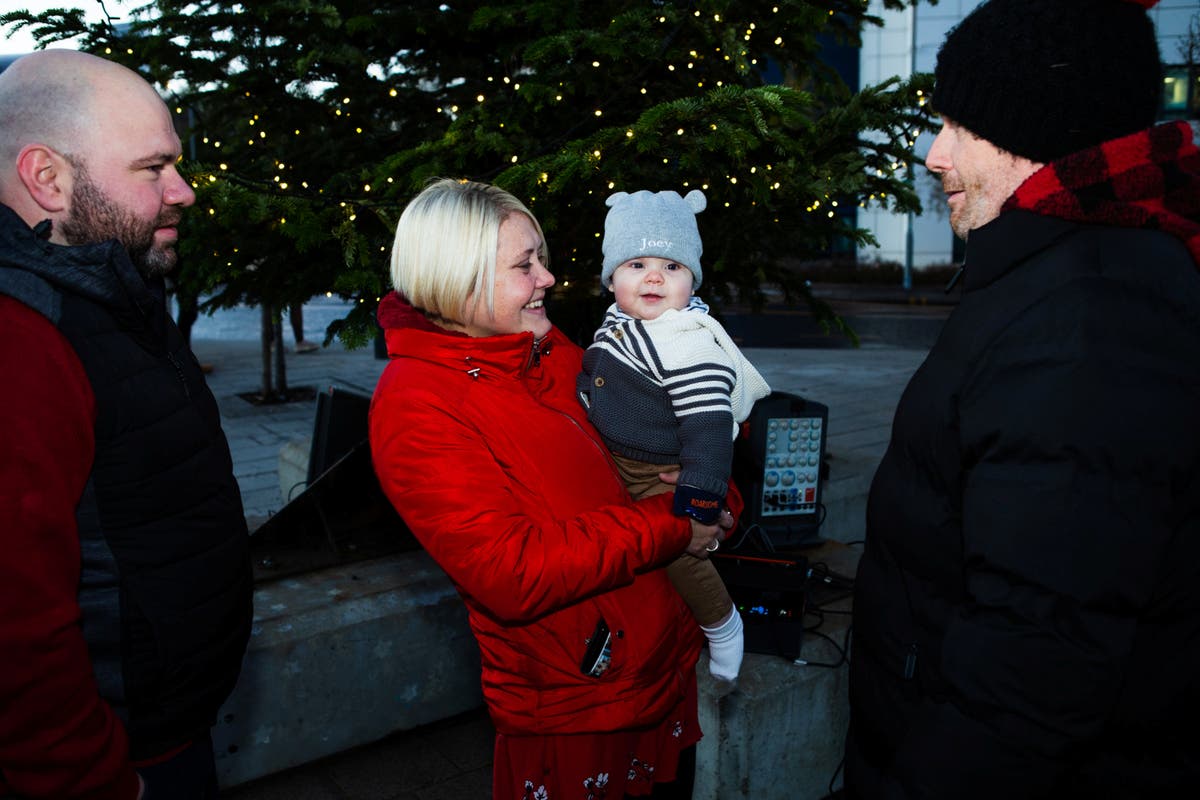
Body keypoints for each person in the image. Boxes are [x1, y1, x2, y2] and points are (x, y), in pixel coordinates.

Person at [845, 0, 1200, 797]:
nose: (933, 154)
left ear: (1030, 131)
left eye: (957, 125)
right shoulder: (1061, 278)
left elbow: (1034, 663)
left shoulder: (1093, 321)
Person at [369, 178, 738, 799]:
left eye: (541, 258)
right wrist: (680, 521)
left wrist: (714, 495)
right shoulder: (415, 406)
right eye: (524, 265)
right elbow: (513, 573)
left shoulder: (550, 349)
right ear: (457, 279)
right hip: (578, 706)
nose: (547, 278)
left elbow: (680, 437)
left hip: (659, 666)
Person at [0, 50, 253, 798]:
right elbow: (14, 625)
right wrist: (93, 781)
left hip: (167, 726)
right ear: (47, 178)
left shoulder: (109, 290)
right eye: (153, 169)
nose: (184, 191)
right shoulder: (21, 337)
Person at [577, 189, 770, 683]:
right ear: (612, 277)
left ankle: (723, 624)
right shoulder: (620, 322)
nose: (654, 277)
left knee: (681, 555)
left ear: (691, 280)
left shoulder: (687, 341)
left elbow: (707, 432)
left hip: (658, 470)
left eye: (671, 266)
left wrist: (700, 504)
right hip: (614, 459)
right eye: (636, 264)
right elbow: (595, 374)